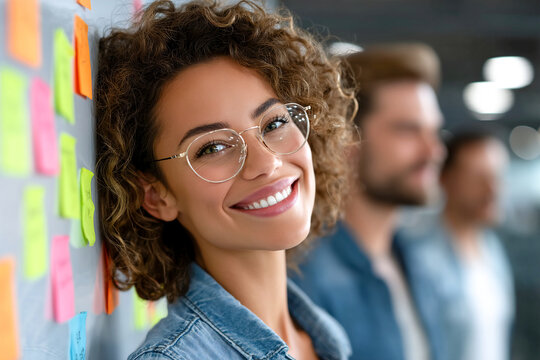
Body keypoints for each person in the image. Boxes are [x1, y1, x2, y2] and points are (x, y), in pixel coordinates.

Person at [95, 0, 357, 359]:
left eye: (275, 123)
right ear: (157, 195)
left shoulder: (325, 337)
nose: (267, 162)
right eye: (213, 147)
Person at [291, 44, 447, 360]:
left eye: (435, 131)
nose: (434, 152)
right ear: (347, 139)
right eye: (408, 130)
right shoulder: (305, 281)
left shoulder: (417, 263)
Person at [407, 130, 515, 360]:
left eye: (497, 176)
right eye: (478, 178)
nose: (493, 190)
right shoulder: (417, 255)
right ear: (446, 180)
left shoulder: (492, 251)